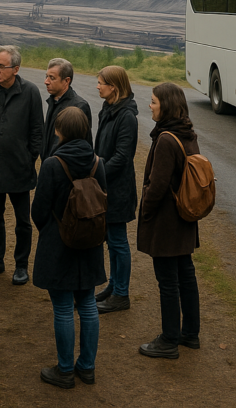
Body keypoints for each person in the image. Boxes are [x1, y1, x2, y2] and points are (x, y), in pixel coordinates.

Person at [31, 106, 107, 389]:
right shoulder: (98, 163)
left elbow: (38, 210)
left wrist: (51, 231)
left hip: (58, 243)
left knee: (63, 307)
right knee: (87, 304)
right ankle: (87, 367)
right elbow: (104, 203)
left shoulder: (52, 164)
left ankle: (64, 371)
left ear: (59, 131)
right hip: (90, 242)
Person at [136, 82, 201, 359]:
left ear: (166, 105)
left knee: (168, 281)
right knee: (186, 274)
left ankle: (169, 340)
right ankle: (190, 334)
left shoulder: (165, 139)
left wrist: (146, 212)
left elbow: (158, 185)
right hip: (185, 217)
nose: (149, 106)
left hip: (166, 221)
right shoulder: (187, 133)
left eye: (153, 101)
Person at [0, 45, 44, 285]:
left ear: (15, 69)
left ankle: (21, 265)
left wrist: (29, 158)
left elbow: (37, 130)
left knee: (23, 221)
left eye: (1, 66)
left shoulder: (31, 92)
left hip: (20, 169)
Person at [93, 65, 139, 315]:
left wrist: (97, 172)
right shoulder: (108, 109)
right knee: (111, 241)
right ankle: (113, 285)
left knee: (118, 242)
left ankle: (122, 294)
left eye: (101, 82)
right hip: (106, 186)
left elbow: (122, 157)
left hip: (118, 190)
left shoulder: (127, 117)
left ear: (114, 86)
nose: (97, 86)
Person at [41, 58, 92, 161]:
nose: (46, 82)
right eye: (46, 76)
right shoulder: (53, 101)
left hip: (65, 170)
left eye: (52, 78)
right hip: (50, 166)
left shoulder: (78, 106)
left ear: (66, 81)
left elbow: (81, 148)